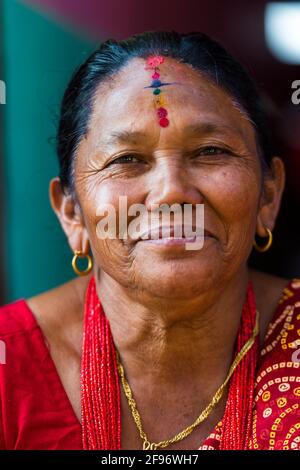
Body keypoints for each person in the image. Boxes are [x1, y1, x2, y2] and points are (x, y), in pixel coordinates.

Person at [0, 30, 299, 451]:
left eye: (210, 152)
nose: (172, 192)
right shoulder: (7, 366)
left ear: (269, 195)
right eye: (127, 160)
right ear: (71, 213)